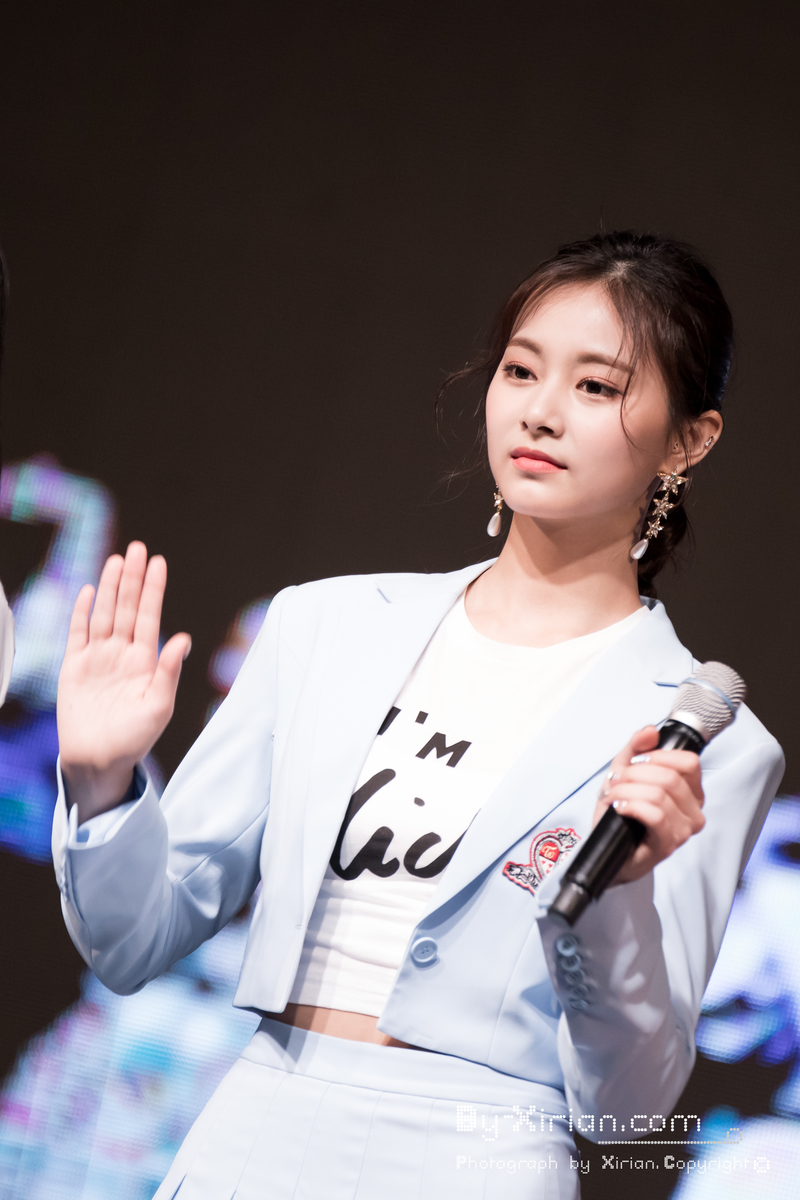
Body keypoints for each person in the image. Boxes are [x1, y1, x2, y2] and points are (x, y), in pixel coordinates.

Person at [52, 231, 784, 1199]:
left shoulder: (700, 743)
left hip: (475, 1160)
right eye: (520, 370)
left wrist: (619, 898)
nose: (540, 410)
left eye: (595, 387)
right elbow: (130, 942)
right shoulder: (325, 626)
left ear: (688, 440)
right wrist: (102, 782)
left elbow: (625, 1107)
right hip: (253, 1130)